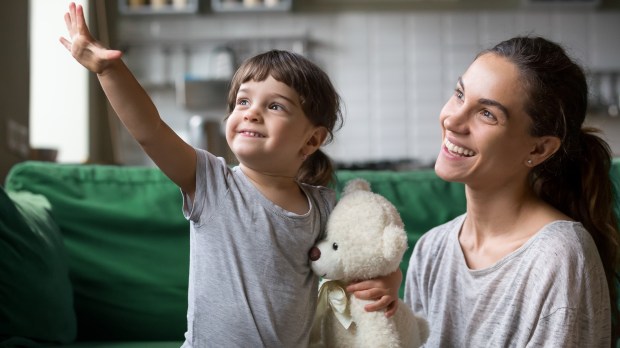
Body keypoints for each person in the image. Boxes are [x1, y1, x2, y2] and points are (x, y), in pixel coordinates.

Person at [60, 3, 401, 347]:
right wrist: (108, 71)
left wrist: (390, 281)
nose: (251, 113)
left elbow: (367, 259)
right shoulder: (211, 182)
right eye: (243, 102)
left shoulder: (324, 207)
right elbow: (150, 129)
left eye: (275, 106)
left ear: (312, 139)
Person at [404, 36, 620, 347]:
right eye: (460, 94)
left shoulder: (559, 257)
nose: (453, 120)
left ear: (539, 148)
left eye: (487, 114)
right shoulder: (431, 250)